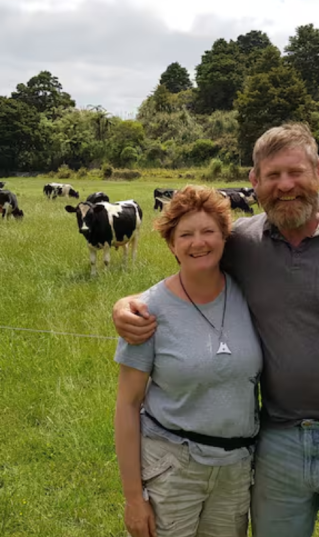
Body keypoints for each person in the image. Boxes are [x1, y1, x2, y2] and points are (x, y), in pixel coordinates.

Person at [113, 123, 319, 537]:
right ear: (254, 182)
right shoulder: (243, 242)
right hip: (277, 444)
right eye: (272, 175)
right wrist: (126, 305)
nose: (285, 186)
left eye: (296, 172)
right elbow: (190, 269)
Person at [114, 186, 262, 537]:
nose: (199, 243)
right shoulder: (148, 311)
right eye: (186, 234)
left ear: (225, 237)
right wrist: (134, 498)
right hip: (172, 465)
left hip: (236, 467)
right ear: (171, 245)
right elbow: (127, 404)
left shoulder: (249, 295)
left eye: (209, 231)